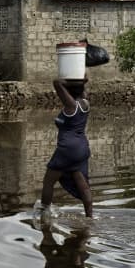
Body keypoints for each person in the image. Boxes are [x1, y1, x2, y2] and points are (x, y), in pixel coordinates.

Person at [40, 74, 92, 218]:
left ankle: (44, 214)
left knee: (48, 182)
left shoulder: (72, 106)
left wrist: (67, 77)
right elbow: (83, 83)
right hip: (82, 149)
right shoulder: (85, 103)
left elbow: (56, 82)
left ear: (68, 91)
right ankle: (90, 217)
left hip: (67, 150)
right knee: (83, 186)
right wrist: (79, 75)